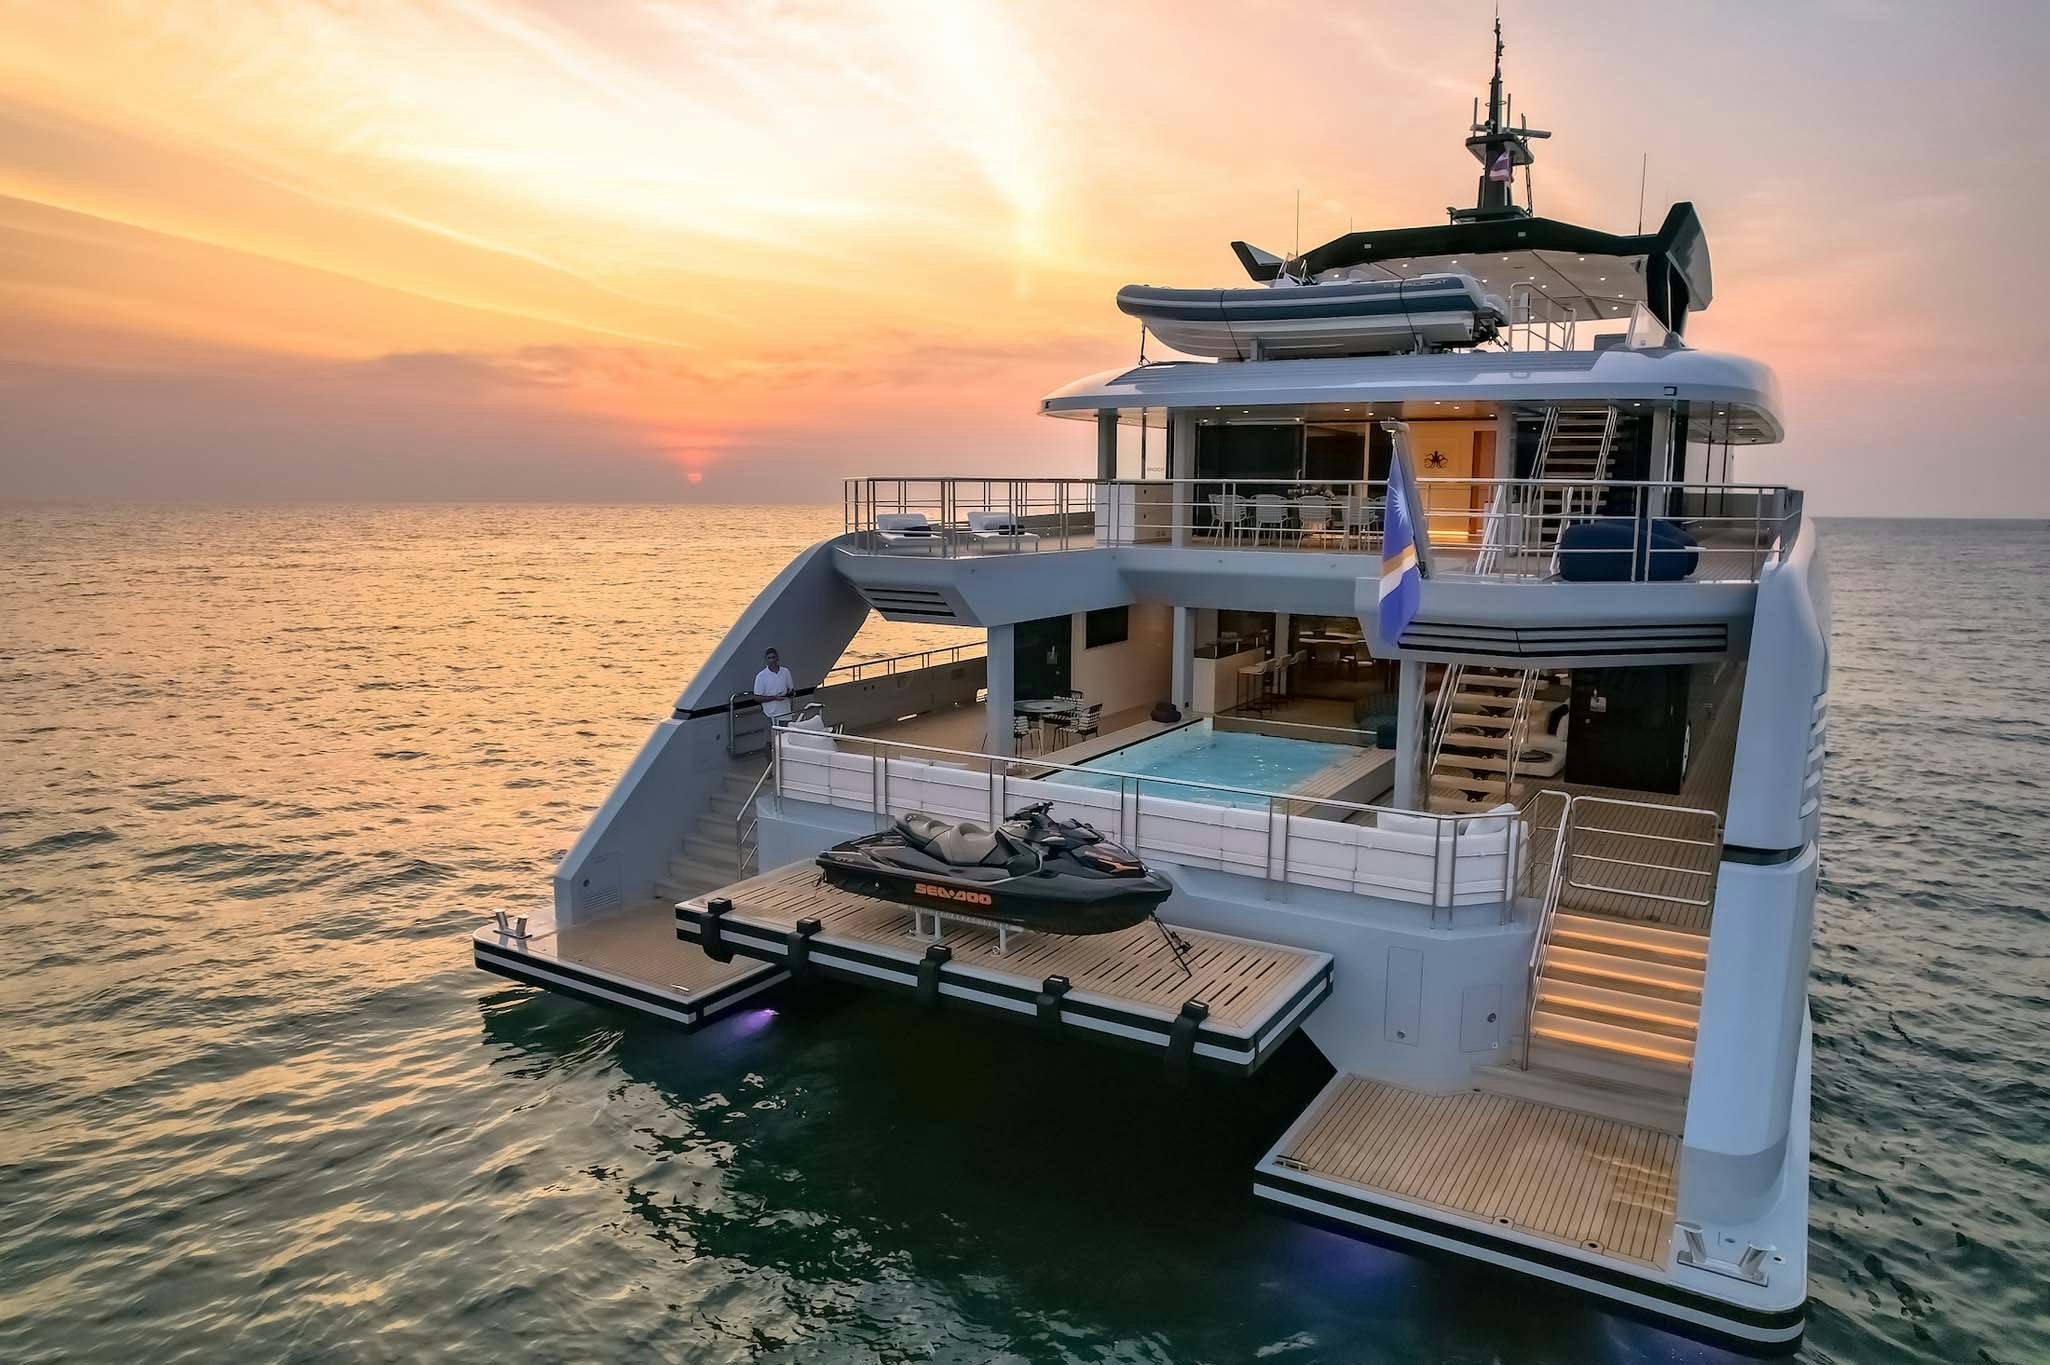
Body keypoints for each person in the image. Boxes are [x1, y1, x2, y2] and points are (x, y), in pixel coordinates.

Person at [753, 647, 797, 723]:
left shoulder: (785, 672)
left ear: (777, 658)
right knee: (775, 735)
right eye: (769, 658)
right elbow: (757, 697)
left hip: (786, 713)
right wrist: (774, 698)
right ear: (766, 660)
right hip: (770, 714)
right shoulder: (761, 676)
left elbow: (791, 689)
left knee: (787, 734)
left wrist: (790, 693)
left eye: (773, 657)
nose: (772, 660)